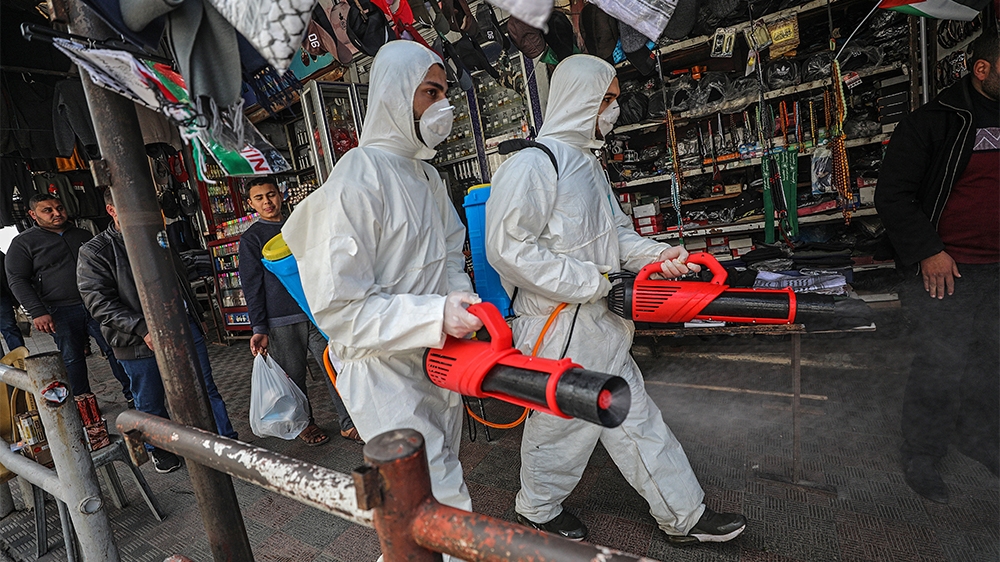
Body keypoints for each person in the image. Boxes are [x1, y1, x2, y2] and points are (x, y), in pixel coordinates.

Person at [485, 54, 747, 545]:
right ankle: (537, 509)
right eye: (606, 100)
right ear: (579, 98)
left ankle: (683, 516)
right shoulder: (532, 164)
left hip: (600, 321)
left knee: (636, 419)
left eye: (615, 100)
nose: (613, 110)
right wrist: (594, 282)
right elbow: (509, 250)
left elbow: (617, 236)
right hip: (557, 328)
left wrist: (663, 256)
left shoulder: (587, 163)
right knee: (561, 430)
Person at [283, 40, 483, 528]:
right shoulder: (357, 177)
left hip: (434, 356)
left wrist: (458, 301)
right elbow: (341, 310)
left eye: (444, 92)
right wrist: (436, 315)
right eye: (430, 92)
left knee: (417, 503)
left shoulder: (429, 178)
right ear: (396, 93)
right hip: (381, 371)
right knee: (439, 506)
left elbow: (450, 254)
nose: (443, 106)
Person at [875, 30, 999, 504]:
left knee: (993, 362)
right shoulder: (933, 123)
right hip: (948, 269)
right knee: (940, 366)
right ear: (981, 68)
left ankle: (980, 438)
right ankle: (922, 454)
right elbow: (892, 195)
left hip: (998, 269)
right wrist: (928, 249)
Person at [77, 189, 237, 473]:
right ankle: (159, 449)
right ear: (112, 210)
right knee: (149, 397)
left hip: (182, 326)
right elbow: (99, 303)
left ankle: (225, 441)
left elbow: (178, 274)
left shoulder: (158, 236)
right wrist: (142, 328)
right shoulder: (95, 251)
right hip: (137, 340)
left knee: (204, 387)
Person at [239, 176, 359, 445]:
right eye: (259, 198)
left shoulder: (299, 227)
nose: (267, 202)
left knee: (335, 367)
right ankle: (305, 424)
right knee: (293, 378)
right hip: (280, 319)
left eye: (270, 194)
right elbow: (252, 286)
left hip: (316, 311)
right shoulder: (252, 239)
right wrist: (259, 328)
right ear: (251, 204)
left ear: (280, 194)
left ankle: (349, 422)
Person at [6, 194, 132, 403]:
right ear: (32, 214)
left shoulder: (82, 234)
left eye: (59, 207)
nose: (57, 213)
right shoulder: (24, 243)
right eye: (47, 210)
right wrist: (38, 312)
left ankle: (133, 396)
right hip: (59, 310)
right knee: (73, 357)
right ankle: (84, 405)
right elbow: (17, 280)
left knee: (117, 349)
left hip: (97, 304)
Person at [0, 251, 26, 354]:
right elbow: (7, 278)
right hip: (2, 298)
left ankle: (3, 367)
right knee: (9, 330)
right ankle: (21, 361)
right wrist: (14, 299)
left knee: (9, 329)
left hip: (2, 298)